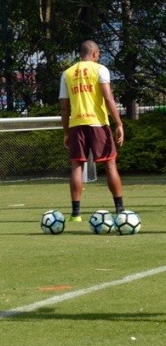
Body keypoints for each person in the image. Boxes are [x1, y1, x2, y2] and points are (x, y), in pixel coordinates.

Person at [59, 40, 125, 222]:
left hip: (76, 124)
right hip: (97, 124)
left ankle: (76, 213)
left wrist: (66, 132)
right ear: (95, 54)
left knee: (76, 167)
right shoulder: (100, 69)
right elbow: (107, 96)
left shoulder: (67, 73)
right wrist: (119, 123)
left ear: (81, 54)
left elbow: (64, 107)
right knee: (110, 164)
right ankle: (120, 209)